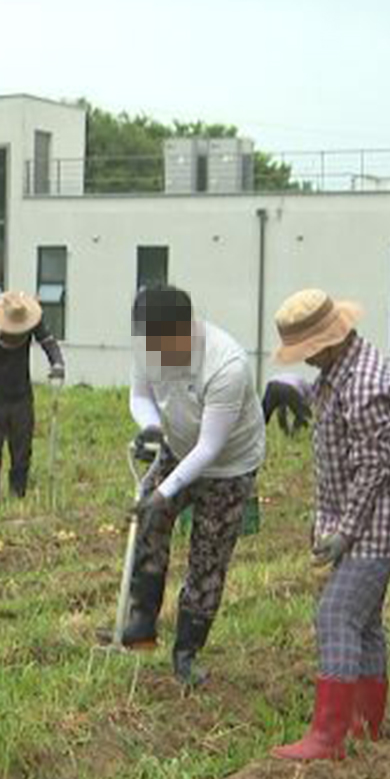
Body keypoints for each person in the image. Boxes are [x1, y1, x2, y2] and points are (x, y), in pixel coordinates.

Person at [268, 290, 390, 762]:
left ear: (327, 342)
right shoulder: (340, 373)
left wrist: (345, 532)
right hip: (372, 516)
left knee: (336, 614)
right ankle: (363, 728)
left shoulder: (366, 385)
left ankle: (328, 736)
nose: (306, 359)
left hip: (380, 521)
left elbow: (371, 470)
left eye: (307, 351)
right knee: (366, 622)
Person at [113, 285, 268, 687]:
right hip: (177, 448)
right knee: (148, 523)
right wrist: (149, 428)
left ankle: (186, 653)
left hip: (227, 468)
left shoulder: (226, 365)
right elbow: (139, 395)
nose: (151, 354)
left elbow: (210, 448)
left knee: (207, 559)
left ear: (184, 333)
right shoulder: (150, 345)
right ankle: (141, 622)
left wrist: (165, 493)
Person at [0, 291, 65, 503]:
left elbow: (48, 341)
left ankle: (18, 495)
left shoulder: (27, 319)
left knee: (22, 452)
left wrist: (57, 363)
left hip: (21, 397)